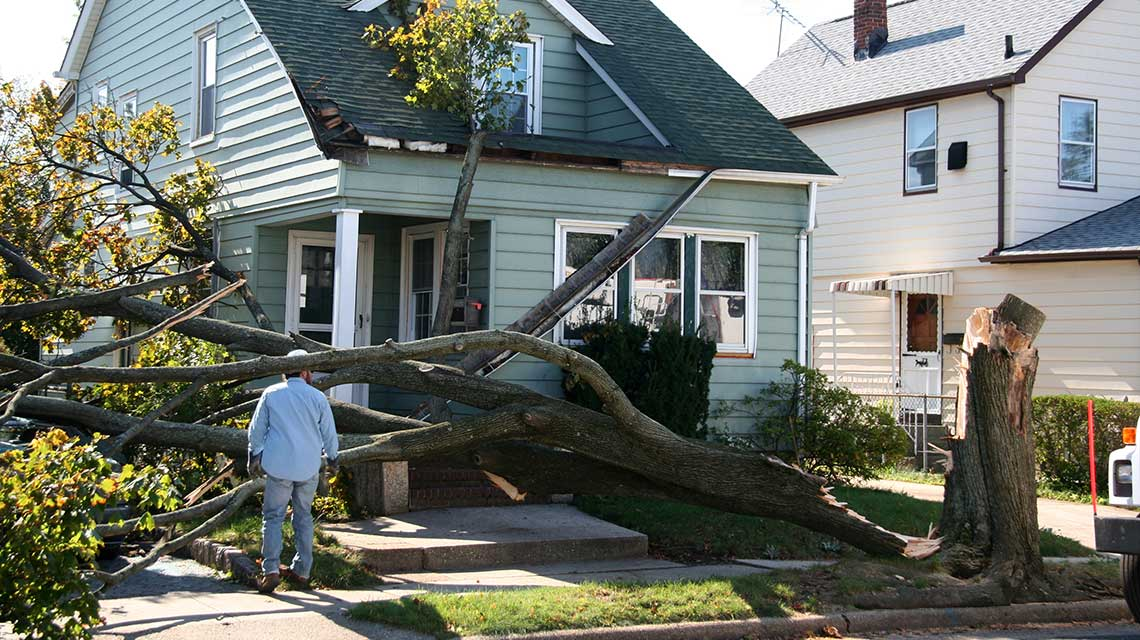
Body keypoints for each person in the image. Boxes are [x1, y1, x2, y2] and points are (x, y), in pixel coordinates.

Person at [247, 349, 339, 593]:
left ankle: (271, 569)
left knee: (273, 517)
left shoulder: (271, 394)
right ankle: (303, 570)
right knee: (303, 517)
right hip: (308, 466)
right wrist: (333, 458)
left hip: (278, 465)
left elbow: (257, 429)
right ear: (305, 371)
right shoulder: (317, 397)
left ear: (285, 372)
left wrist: (253, 455)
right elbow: (329, 432)